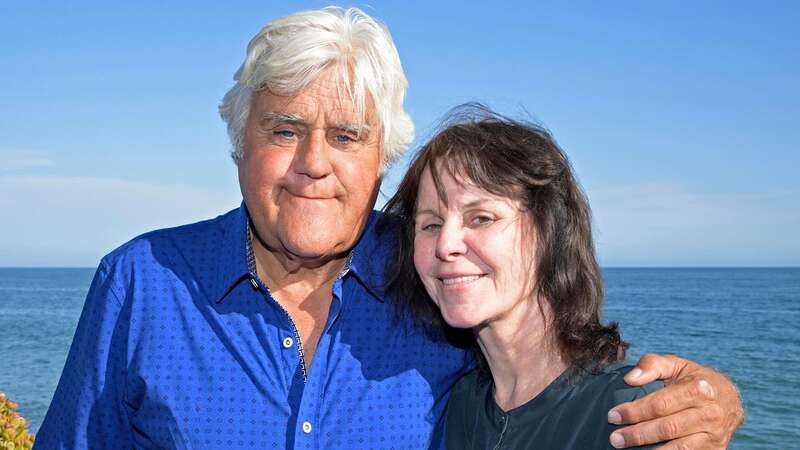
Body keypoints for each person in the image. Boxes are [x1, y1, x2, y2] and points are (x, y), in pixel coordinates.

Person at [35, 7, 743, 449]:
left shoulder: (435, 273)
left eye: (347, 136)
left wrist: (705, 402)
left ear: (380, 160)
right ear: (237, 142)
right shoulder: (142, 281)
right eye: (284, 129)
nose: (314, 164)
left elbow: (546, 374)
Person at [386, 105, 672, 448]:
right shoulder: (463, 404)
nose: (446, 245)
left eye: (481, 218)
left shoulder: (631, 412)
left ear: (548, 231)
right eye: (430, 224)